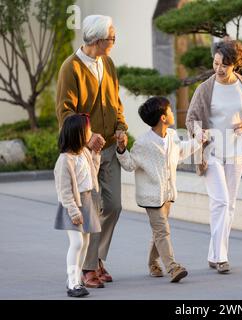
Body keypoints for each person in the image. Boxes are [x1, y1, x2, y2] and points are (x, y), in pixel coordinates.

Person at [55, 15, 128, 288]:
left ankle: (96, 258)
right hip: (85, 153)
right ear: (97, 40)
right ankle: (88, 267)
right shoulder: (70, 68)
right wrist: (87, 138)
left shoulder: (107, 63)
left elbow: (116, 101)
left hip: (110, 146)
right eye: (111, 38)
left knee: (114, 205)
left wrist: (121, 126)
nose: (114, 42)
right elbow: (65, 113)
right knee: (92, 209)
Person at [186, 40, 242, 274]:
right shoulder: (205, 88)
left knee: (229, 204)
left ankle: (213, 253)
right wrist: (199, 132)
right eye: (216, 63)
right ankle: (221, 257)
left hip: (237, 150)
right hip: (212, 152)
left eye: (224, 65)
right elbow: (191, 119)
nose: (218, 68)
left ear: (235, 65)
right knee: (220, 201)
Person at [116, 97, 206, 282]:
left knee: (159, 232)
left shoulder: (172, 136)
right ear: (163, 118)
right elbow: (130, 165)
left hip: (167, 194)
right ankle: (173, 267)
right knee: (163, 231)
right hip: (151, 197)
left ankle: (153, 263)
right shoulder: (143, 144)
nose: (173, 113)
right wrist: (122, 150)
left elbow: (181, 151)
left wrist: (198, 141)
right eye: (170, 110)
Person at [54, 114, 101, 297]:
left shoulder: (84, 153)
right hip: (72, 205)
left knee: (85, 243)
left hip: (87, 201)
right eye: (88, 130)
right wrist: (73, 211)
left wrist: (96, 154)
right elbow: (64, 191)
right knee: (77, 242)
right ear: (78, 133)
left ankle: (77, 279)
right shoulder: (65, 160)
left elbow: (92, 175)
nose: (91, 132)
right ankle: (72, 282)